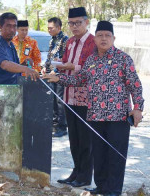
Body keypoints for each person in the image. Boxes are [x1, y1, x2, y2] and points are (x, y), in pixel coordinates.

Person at [43, 20, 144, 196]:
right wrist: (58, 78)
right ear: (95, 38)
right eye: (100, 35)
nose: (103, 39)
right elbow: (78, 80)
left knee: (115, 155)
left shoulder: (123, 58)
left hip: (117, 117)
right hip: (95, 115)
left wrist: (138, 109)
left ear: (114, 38)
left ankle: (113, 190)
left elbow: (135, 85)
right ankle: (101, 186)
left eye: (107, 35)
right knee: (99, 154)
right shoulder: (91, 60)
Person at [48, 7, 95, 187]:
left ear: (86, 22)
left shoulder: (93, 42)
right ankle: (76, 172)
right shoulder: (70, 43)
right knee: (74, 140)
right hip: (69, 96)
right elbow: (67, 62)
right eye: (71, 23)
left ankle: (85, 177)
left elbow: (89, 69)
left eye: (78, 23)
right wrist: (58, 67)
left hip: (86, 98)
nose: (74, 27)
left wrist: (67, 68)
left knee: (86, 140)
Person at [0, 13, 39, 84]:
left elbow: (12, 70)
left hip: (11, 90)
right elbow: (5, 65)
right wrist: (26, 69)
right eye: (8, 26)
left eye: (14, 26)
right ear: (0, 27)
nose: (12, 30)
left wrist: (24, 64)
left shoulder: (11, 45)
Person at [41, 17, 68, 137]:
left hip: (60, 75)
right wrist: (44, 67)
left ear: (59, 27)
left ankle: (62, 127)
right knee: (51, 100)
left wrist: (56, 70)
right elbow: (49, 57)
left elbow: (65, 59)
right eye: (48, 28)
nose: (49, 30)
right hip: (49, 74)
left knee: (59, 101)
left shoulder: (65, 40)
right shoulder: (52, 40)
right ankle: (54, 125)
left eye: (51, 28)